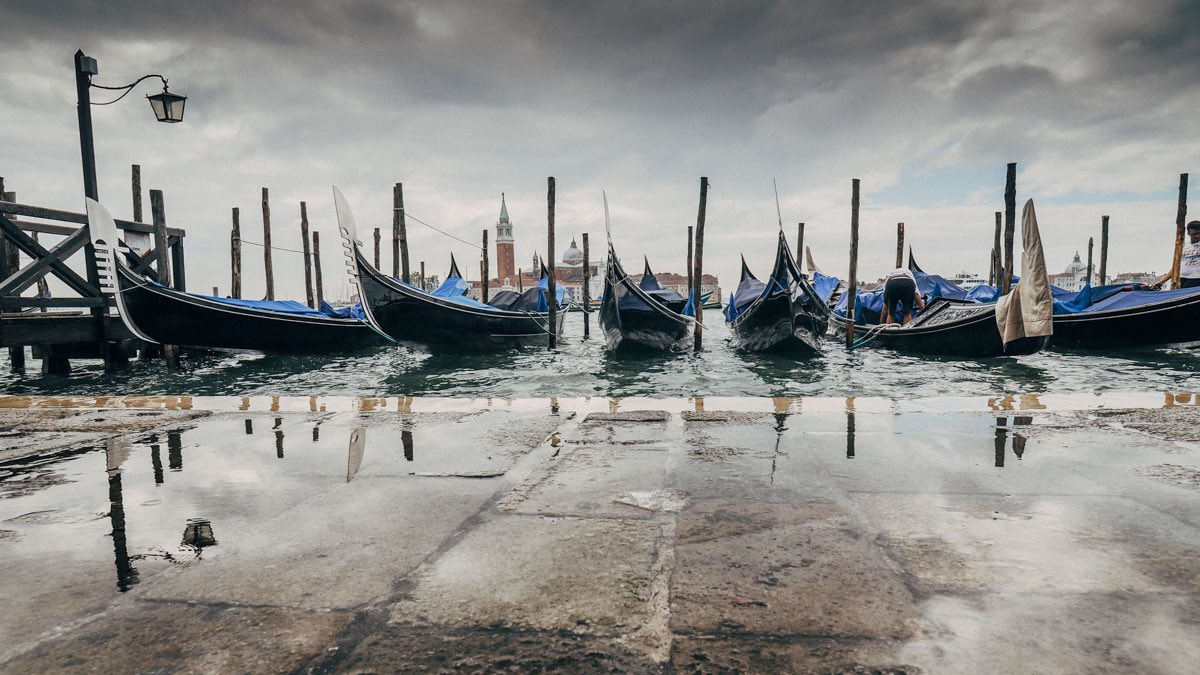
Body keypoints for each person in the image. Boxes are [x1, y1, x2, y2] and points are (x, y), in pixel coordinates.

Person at [1152, 220, 1200, 289]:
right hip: (1180, 279)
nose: (1197, 236)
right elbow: (1175, 267)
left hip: (1196, 279)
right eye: (1194, 234)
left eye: (1199, 233)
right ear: (1188, 233)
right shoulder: (1182, 246)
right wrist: (1162, 281)